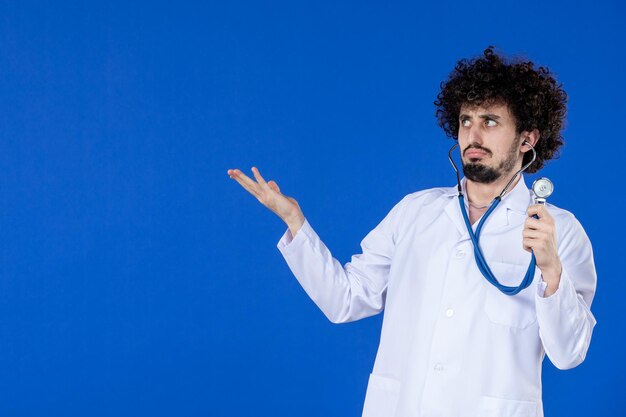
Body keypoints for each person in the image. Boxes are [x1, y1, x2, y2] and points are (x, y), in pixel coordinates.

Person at [226, 46, 597, 417]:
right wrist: (296, 223)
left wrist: (551, 270)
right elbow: (345, 300)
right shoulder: (415, 212)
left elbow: (568, 354)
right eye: (466, 120)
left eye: (490, 122)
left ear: (527, 140)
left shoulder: (558, 231)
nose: (473, 135)